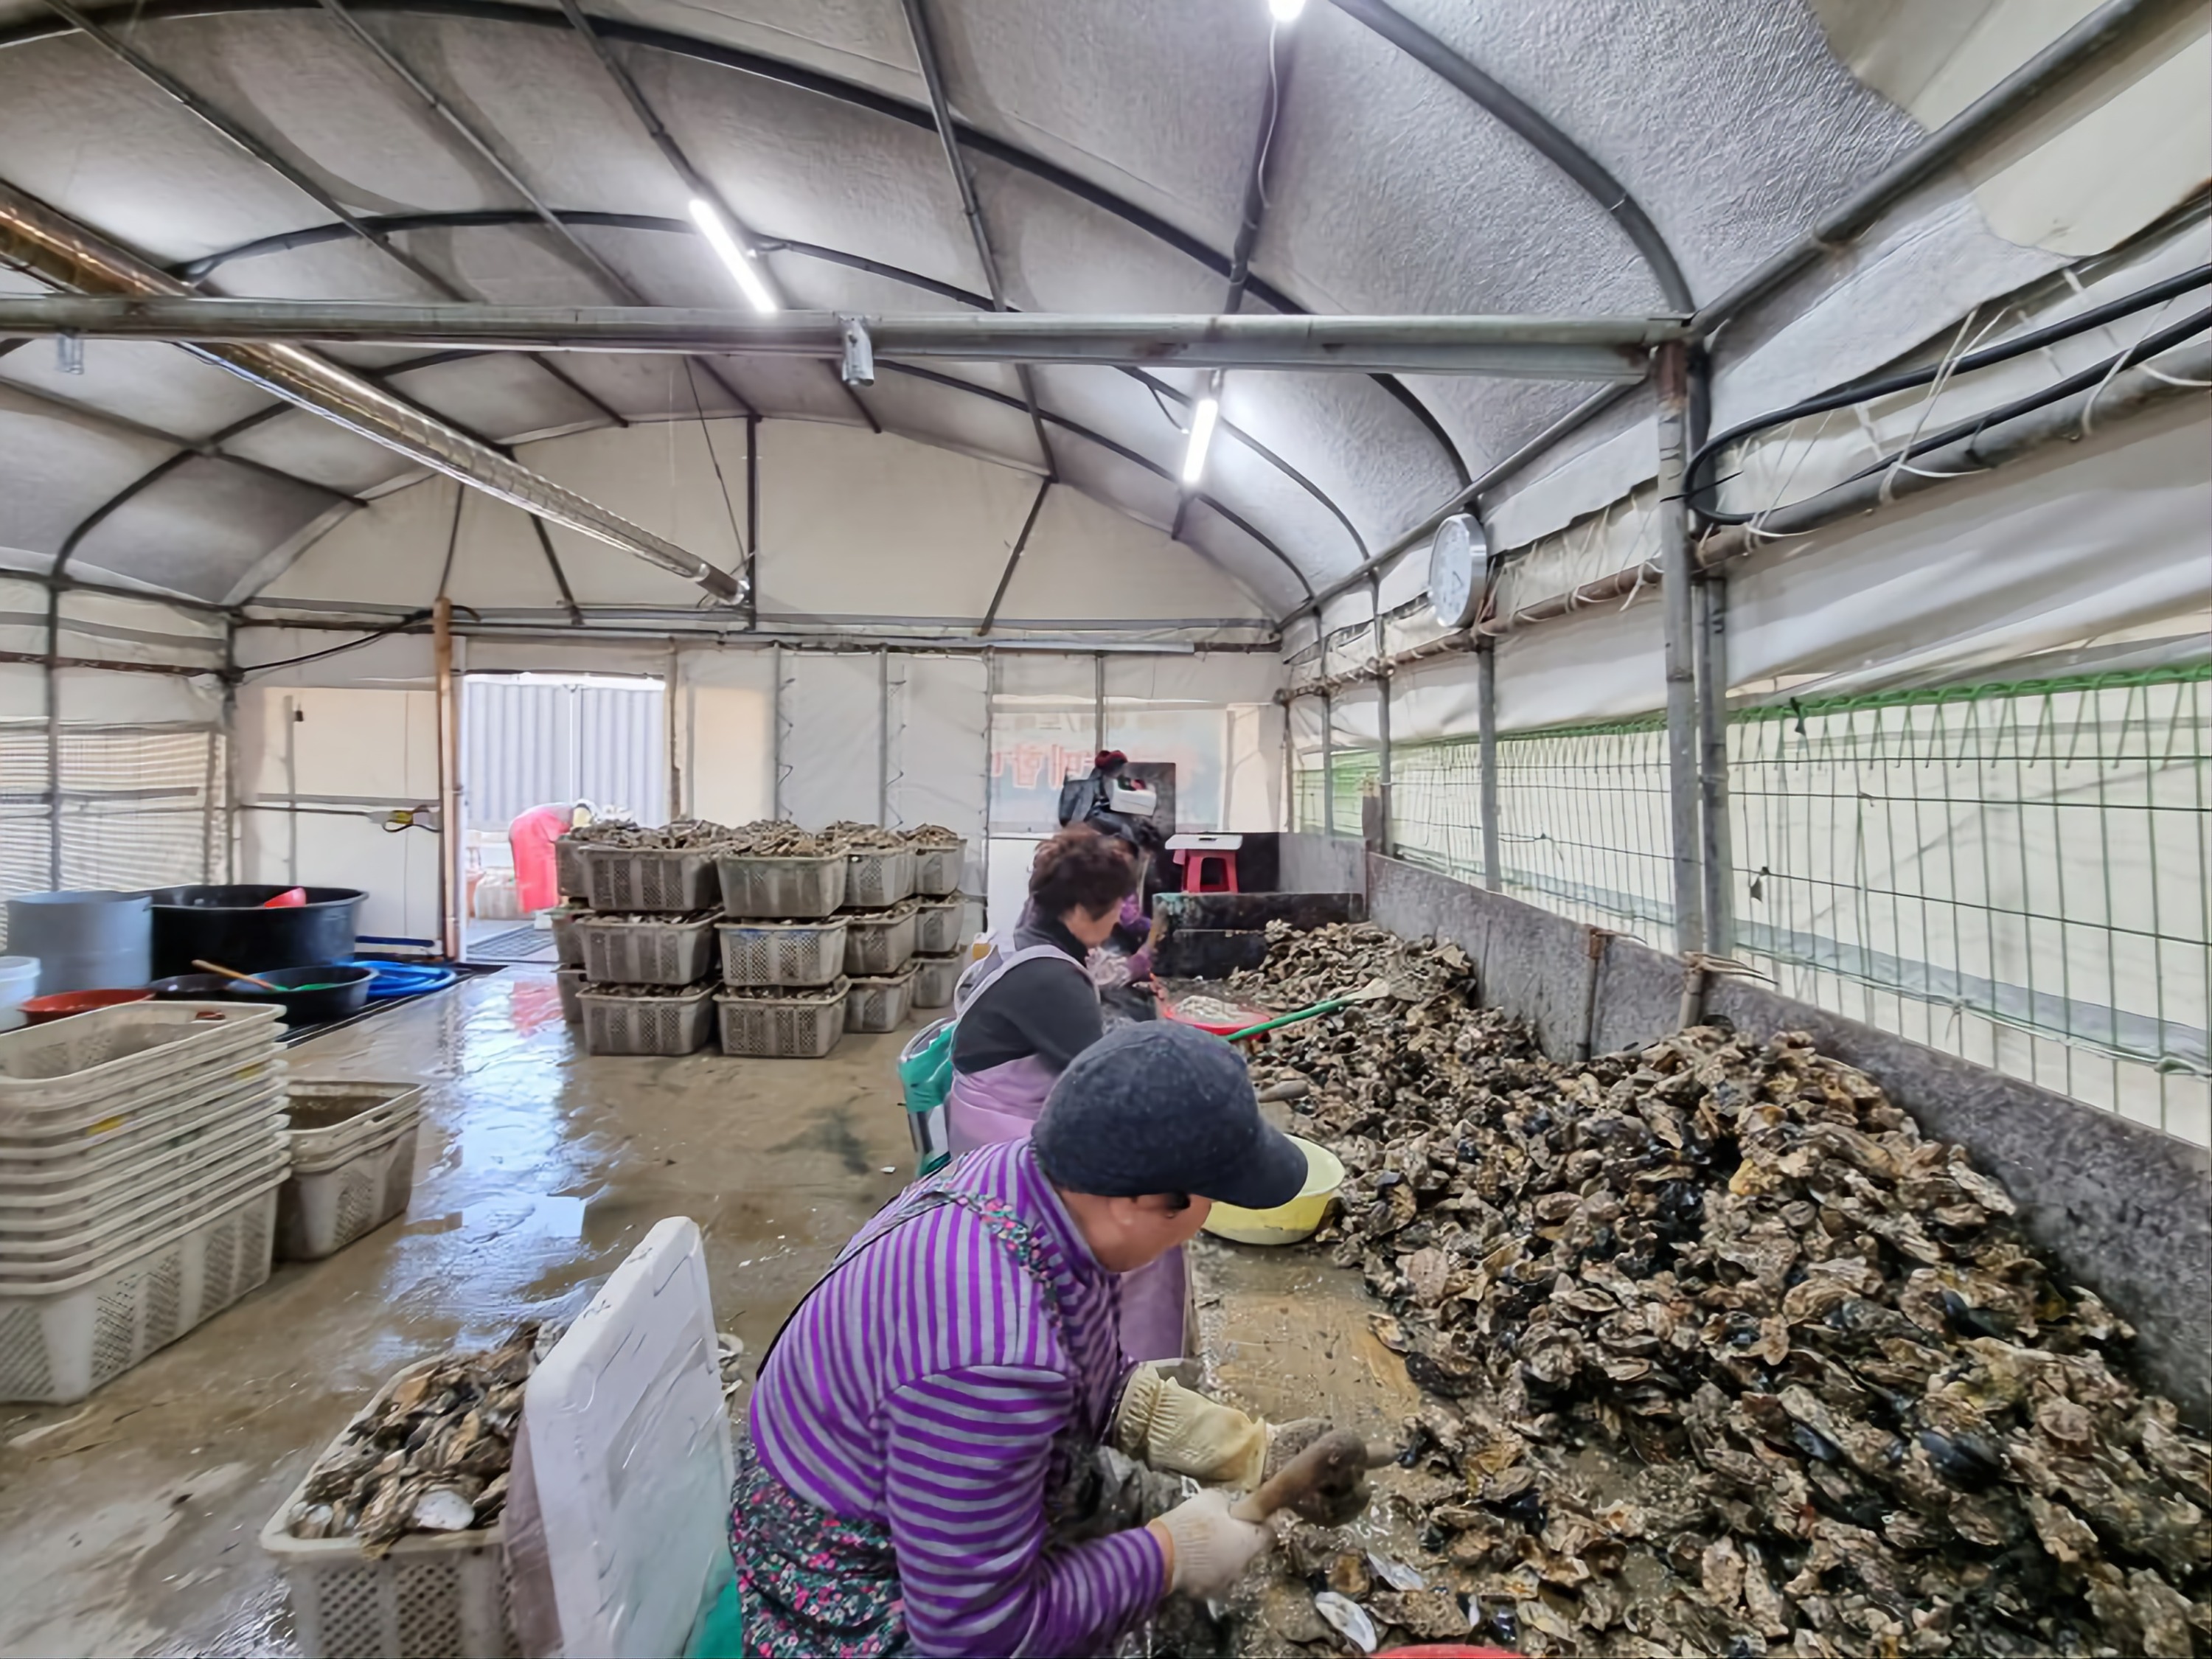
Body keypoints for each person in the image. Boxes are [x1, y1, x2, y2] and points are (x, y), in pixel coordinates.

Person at [735, 1021, 1316, 1657]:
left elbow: (1084, 1354)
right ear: (1141, 1202)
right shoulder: (993, 1359)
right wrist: (1171, 1555)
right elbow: (975, 1637)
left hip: (913, 1491)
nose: (1208, 1220)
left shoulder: (1023, 1175)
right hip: (841, 1578)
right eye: (1213, 1199)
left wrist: (1245, 1449)